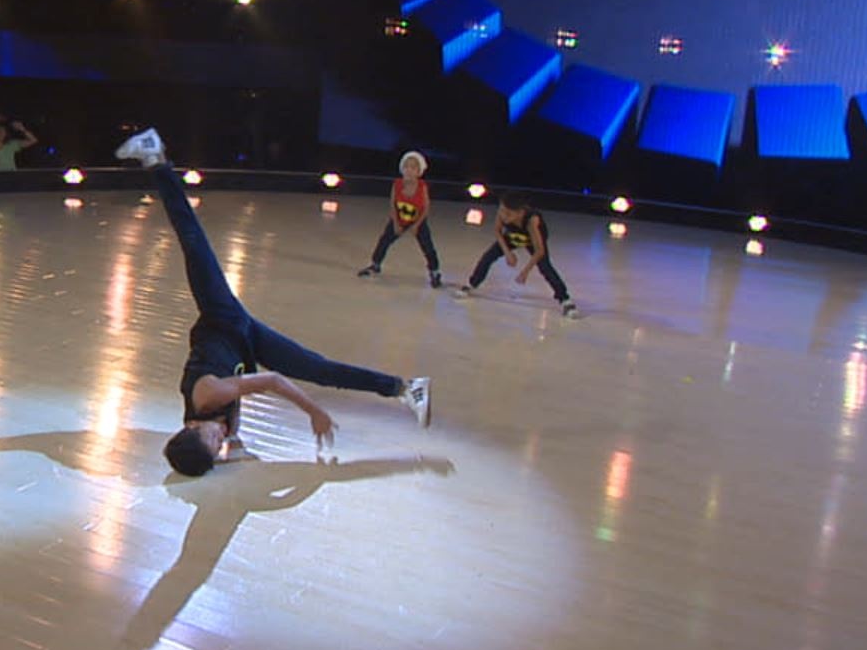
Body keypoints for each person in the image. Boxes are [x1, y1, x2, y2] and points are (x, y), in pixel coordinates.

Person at [113, 127, 431, 477]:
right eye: (218, 445)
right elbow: (230, 419)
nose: (220, 436)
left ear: (190, 426)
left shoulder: (207, 395)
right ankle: (406, 388)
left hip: (221, 316)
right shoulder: (214, 426)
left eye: (212, 437)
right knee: (320, 369)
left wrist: (314, 412)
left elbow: (273, 381)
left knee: (192, 240)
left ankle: (156, 158)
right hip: (245, 338)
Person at [451, 191, 579, 318]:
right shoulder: (503, 212)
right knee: (488, 257)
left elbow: (539, 250)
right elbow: (498, 231)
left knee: (546, 268)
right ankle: (472, 284)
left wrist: (525, 272)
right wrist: (507, 253)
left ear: (520, 212)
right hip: (512, 237)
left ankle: (565, 300)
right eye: (502, 211)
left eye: (508, 214)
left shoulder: (532, 220)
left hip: (532, 240)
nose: (504, 216)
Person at [358, 150, 442, 286]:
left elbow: (426, 208)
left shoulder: (422, 186)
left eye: (413, 167)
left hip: (417, 220)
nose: (409, 170)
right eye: (406, 166)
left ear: (419, 171)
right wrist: (396, 223)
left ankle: (435, 272)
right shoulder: (397, 183)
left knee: (428, 247)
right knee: (384, 241)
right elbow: (393, 204)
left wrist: (416, 225)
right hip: (399, 218)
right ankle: (375, 265)